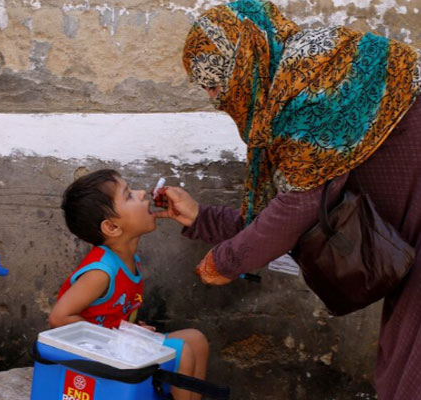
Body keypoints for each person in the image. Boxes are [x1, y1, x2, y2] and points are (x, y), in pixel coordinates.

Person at [164, 0, 421, 398]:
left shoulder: (312, 80)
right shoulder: (291, 80)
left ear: (244, 62)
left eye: (216, 84)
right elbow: (295, 210)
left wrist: (226, 260)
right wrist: (203, 219)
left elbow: (298, 208)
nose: (216, 100)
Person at [49, 169, 209, 400]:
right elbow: (58, 318)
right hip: (95, 354)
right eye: (129, 195)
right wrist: (117, 337)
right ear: (112, 227)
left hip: (116, 345)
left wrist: (130, 329)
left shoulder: (127, 258)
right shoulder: (102, 272)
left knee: (196, 340)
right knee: (182, 351)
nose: (142, 193)